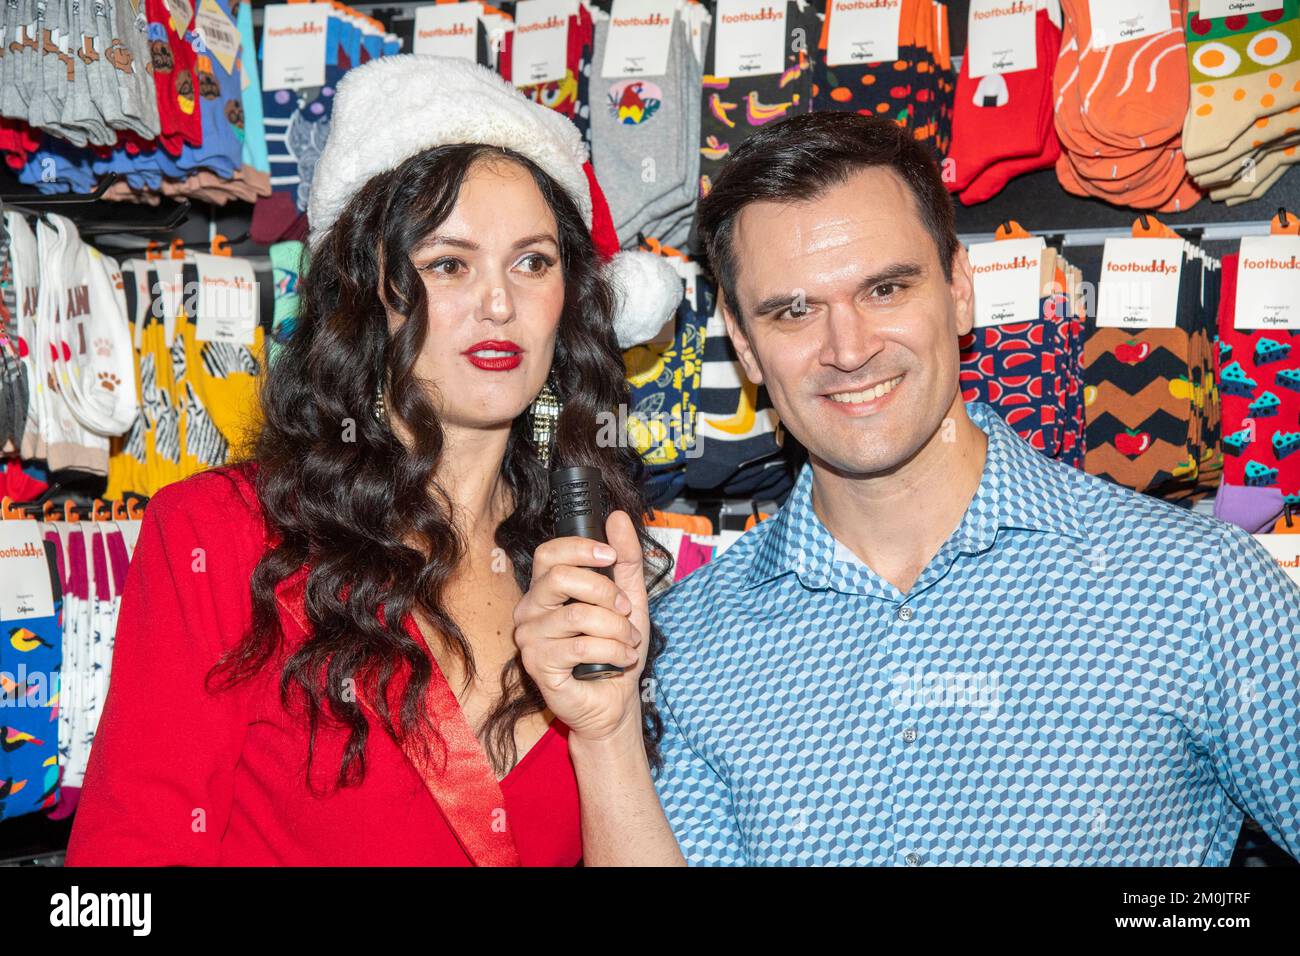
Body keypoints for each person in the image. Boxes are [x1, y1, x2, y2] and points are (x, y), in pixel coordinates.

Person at [514, 112, 1300, 866]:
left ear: (959, 289)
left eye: (885, 290)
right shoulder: (687, 642)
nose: (848, 348)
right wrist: (606, 733)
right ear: (746, 346)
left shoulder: (1197, 586)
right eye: (793, 311)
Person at [65, 55, 680, 866]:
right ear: (370, 293)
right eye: (448, 264)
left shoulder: (589, 558)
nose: (500, 303)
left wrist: (607, 734)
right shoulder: (223, 536)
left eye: (533, 263)